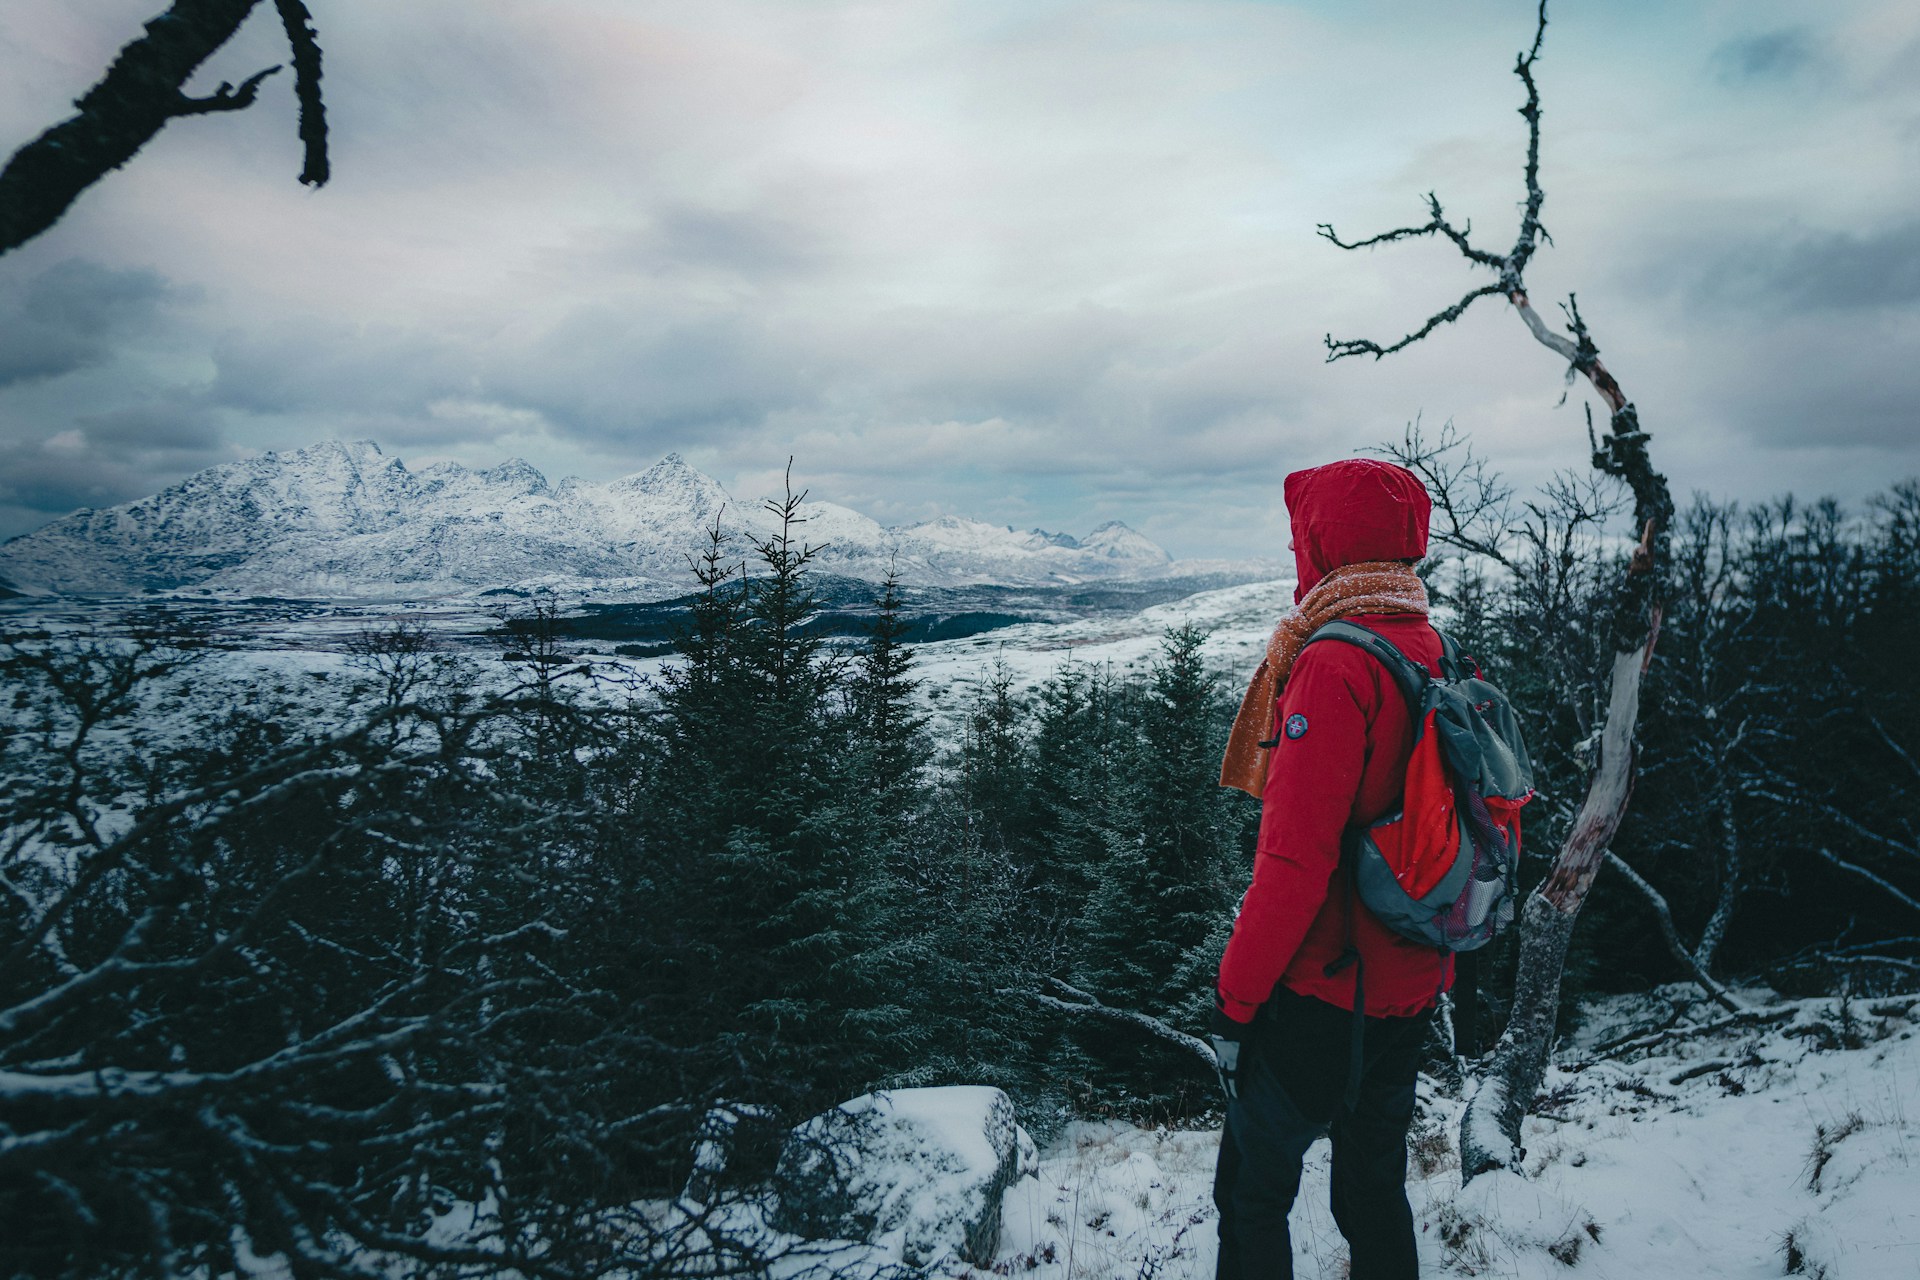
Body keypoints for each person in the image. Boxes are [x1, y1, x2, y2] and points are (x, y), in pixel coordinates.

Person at [1209, 458, 1450, 1280]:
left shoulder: (1332, 662)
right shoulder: (1425, 643)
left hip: (1328, 988)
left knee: (1250, 1191)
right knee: (1372, 1193)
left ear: (1322, 543)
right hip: (1413, 975)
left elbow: (1293, 862)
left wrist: (1236, 1003)